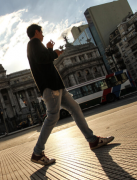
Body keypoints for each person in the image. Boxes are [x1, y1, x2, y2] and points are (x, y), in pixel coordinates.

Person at [26, 24, 114, 166]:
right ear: (36, 32)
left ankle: (93, 140)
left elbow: (44, 61)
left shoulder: (36, 45)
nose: (43, 34)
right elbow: (42, 59)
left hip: (57, 87)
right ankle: (37, 152)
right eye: (41, 32)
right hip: (51, 87)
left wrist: (49, 50)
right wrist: (54, 52)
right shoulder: (33, 44)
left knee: (75, 108)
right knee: (52, 117)